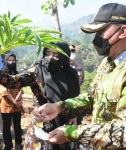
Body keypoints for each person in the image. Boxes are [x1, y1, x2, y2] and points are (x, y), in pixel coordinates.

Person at [34, 3, 126, 150]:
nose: (97, 38)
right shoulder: (107, 64)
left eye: (101, 31)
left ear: (122, 31)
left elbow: (123, 132)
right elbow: (91, 97)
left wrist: (73, 132)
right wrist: (59, 107)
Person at [0, 42, 80, 150]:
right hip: (41, 122)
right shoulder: (37, 71)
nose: (50, 58)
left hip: (65, 124)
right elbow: (13, 82)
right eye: (48, 53)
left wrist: (75, 116)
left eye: (56, 55)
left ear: (64, 56)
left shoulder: (71, 74)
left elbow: (76, 99)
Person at [0, 53, 24, 150]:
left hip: (17, 104)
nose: (11, 62)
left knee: (17, 124)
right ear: (6, 61)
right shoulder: (2, 74)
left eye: (13, 60)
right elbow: (4, 91)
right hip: (6, 104)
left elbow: (20, 88)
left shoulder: (17, 73)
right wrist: (15, 101)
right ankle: (8, 145)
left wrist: (19, 100)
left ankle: (18, 143)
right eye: (9, 60)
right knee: (6, 126)